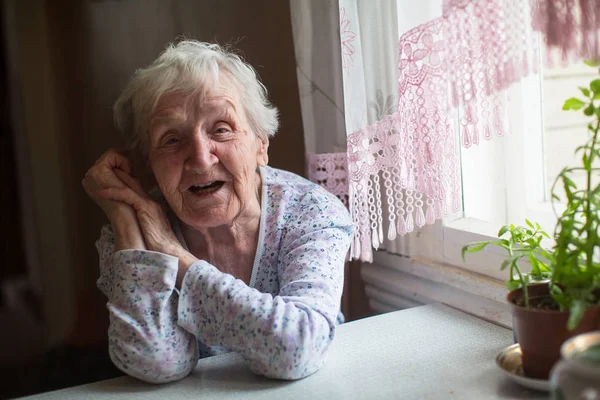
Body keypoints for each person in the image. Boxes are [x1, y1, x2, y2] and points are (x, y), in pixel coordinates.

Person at [82, 40, 353, 384]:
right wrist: (121, 210)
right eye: (171, 139)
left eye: (221, 129)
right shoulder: (131, 233)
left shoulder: (311, 212)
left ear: (261, 144)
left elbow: (297, 347)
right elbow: (155, 363)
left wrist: (171, 253)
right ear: (149, 164)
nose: (200, 157)